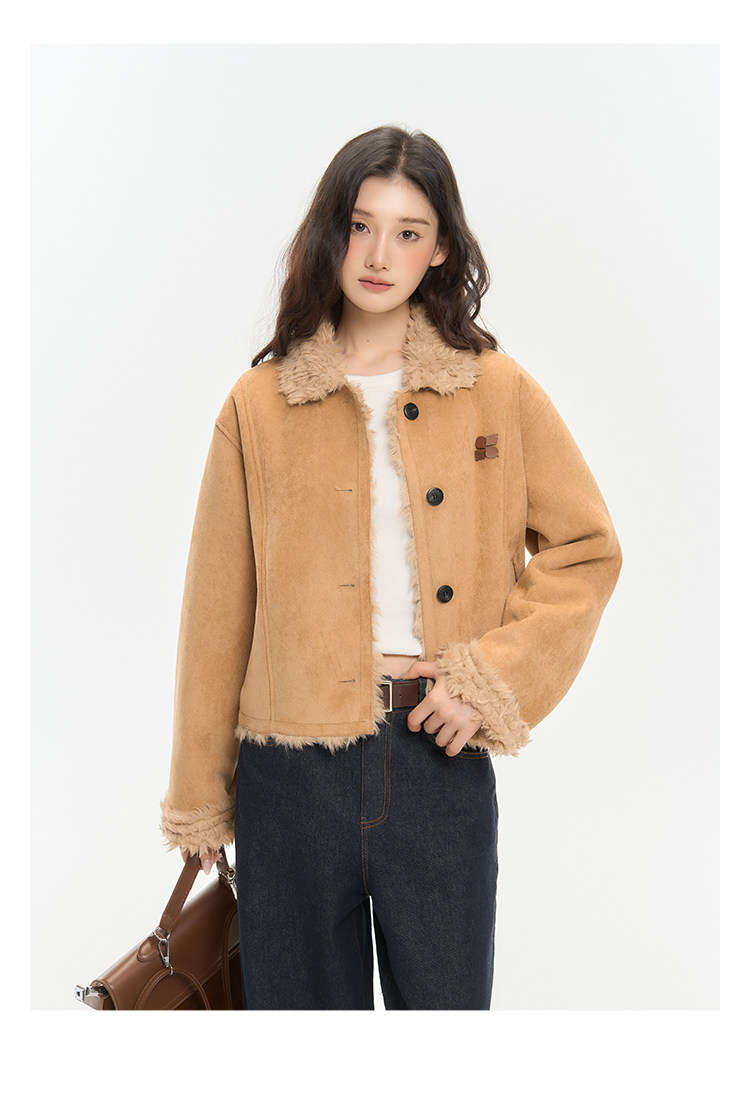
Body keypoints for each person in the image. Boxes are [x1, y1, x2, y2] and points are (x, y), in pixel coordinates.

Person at [159, 124, 623, 1010]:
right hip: (287, 777)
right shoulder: (258, 405)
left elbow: (586, 548)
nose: (379, 255)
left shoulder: (495, 389)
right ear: (330, 232)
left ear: (440, 248)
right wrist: (198, 793)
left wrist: (488, 681)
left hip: (435, 756)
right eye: (361, 226)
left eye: (408, 232)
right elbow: (217, 609)